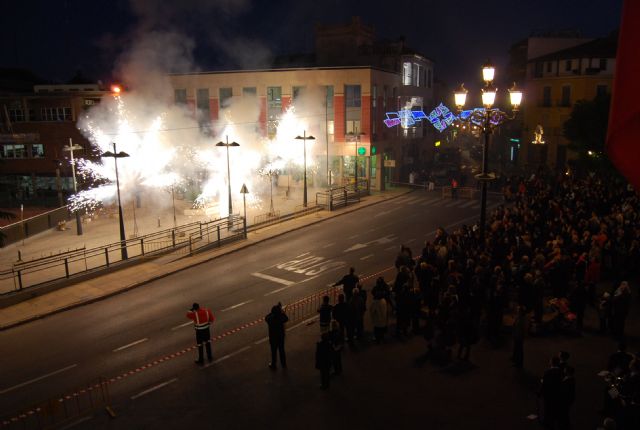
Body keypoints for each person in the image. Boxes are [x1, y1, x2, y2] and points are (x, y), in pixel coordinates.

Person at [540, 356, 563, 428]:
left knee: (547, 409)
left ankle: (547, 423)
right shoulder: (561, 371)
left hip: (549, 394)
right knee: (555, 408)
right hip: (557, 393)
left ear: (552, 363)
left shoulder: (548, 372)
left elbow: (544, 384)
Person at [265, 303, 289, 370]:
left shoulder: (270, 319)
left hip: (273, 338)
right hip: (281, 337)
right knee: (281, 351)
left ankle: (273, 364)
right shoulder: (281, 318)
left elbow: (266, 317)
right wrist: (282, 312)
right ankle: (283, 364)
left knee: (273, 352)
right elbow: (286, 318)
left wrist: (275, 312)